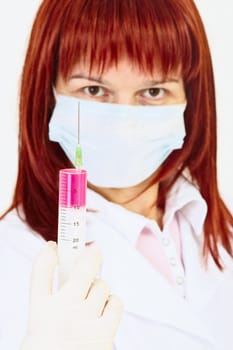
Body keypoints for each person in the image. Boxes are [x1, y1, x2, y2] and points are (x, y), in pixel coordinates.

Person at [0, 0, 233, 349]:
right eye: (93, 90)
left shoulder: (215, 228)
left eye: (153, 91)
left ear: (190, 99)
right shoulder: (13, 257)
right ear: (48, 96)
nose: (124, 122)